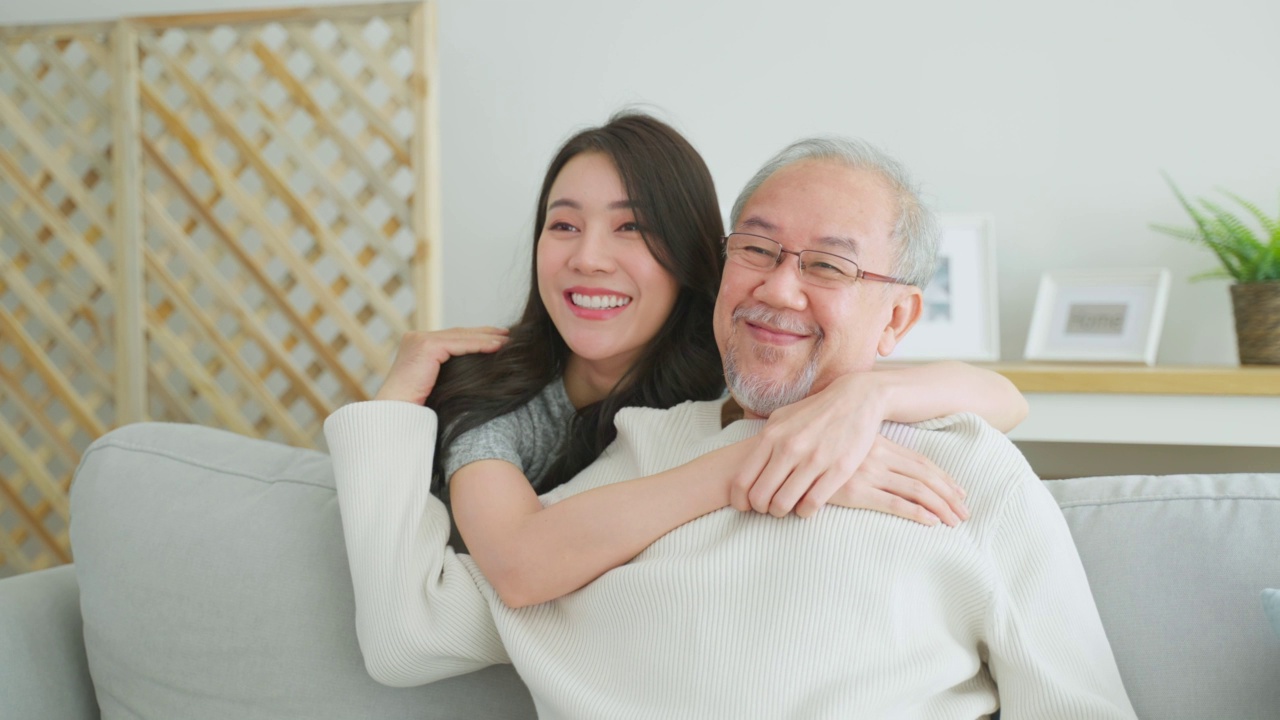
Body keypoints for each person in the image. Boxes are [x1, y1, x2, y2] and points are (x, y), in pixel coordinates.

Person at [325, 130, 1128, 717]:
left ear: (897, 320)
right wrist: (394, 408)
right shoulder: (636, 453)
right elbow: (416, 631)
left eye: (827, 265)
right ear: (722, 267)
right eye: (758, 250)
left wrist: (868, 400)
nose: (779, 290)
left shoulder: (969, 469)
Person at [353, 112, 1026, 611]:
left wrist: (868, 399)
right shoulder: (493, 398)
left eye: (632, 228)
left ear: (692, 255)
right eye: (562, 225)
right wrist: (757, 462)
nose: (587, 257)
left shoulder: (739, 370)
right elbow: (519, 567)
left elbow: (1005, 399)